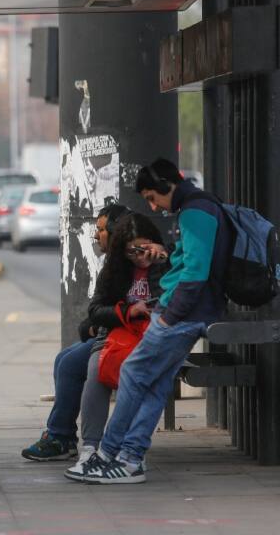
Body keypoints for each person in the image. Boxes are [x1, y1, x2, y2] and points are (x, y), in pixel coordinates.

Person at [83, 158, 230, 484]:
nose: (153, 205)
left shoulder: (196, 211)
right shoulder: (200, 208)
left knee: (135, 373)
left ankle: (110, 454)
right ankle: (129, 458)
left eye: (153, 196)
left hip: (183, 314)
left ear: (167, 185)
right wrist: (165, 255)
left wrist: (168, 318)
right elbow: (189, 260)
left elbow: (195, 272)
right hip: (190, 312)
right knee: (156, 384)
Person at [21, 203, 132, 461]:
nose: (96, 235)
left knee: (71, 364)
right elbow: (97, 309)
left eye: (102, 230)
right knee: (64, 358)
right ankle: (63, 436)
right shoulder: (113, 264)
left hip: (124, 338)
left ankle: (62, 437)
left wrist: (103, 320)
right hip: (110, 332)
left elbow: (120, 309)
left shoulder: (130, 264)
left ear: (117, 233)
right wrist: (94, 324)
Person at [63, 212, 169, 480]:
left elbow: (174, 296)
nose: (139, 255)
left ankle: (128, 449)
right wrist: (128, 310)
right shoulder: (115, 270)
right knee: (96, 369)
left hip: (153, 337)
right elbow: (96, 309)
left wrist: (161, 260)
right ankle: (89, 447)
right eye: (132, 250)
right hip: (117, 335)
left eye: (144, 248)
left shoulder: (166, 263)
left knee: (137, 375)